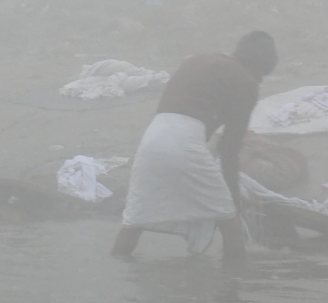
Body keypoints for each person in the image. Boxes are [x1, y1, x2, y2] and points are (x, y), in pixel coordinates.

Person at [111, 31, 278, 261]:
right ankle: (232, 288)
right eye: (262, 73)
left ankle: (120, 273)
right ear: (258, 65)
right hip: (184, 145)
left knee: (134, 222)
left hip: (151, 141)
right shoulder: (245, 82)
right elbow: (229, 149)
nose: (260, 80)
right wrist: (233, 200)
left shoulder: (197, 60)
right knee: (230, 223)